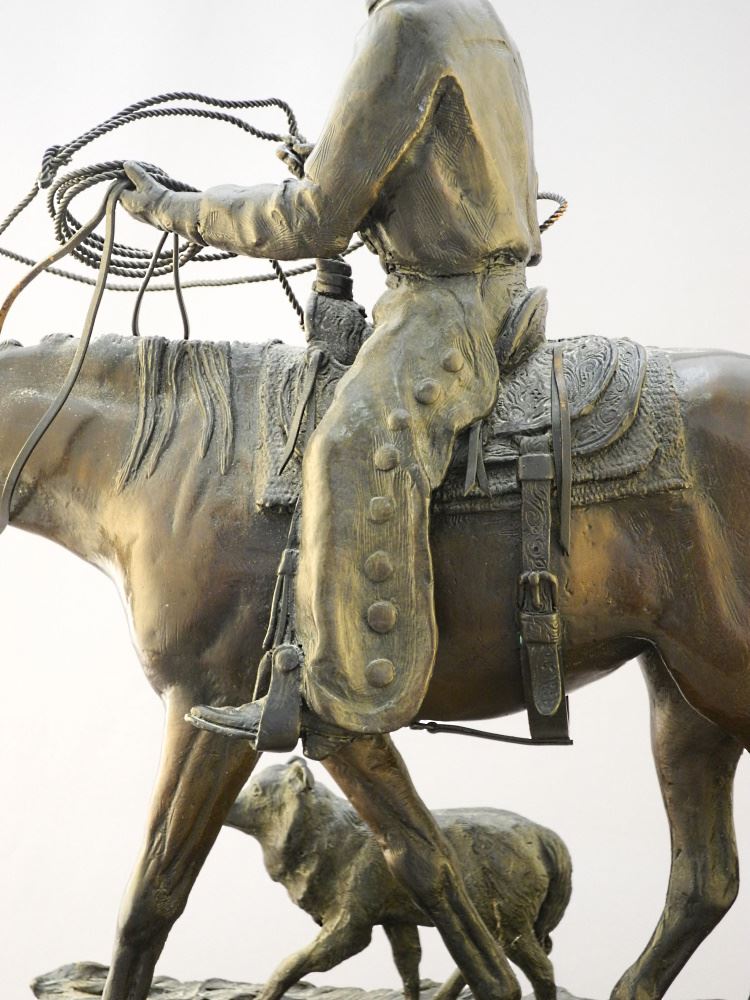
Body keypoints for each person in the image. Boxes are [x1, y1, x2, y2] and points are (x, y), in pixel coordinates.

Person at [122, 0, 542, 748]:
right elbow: (442, 164)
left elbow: (313, 219)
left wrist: (176, 210)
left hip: (448, 303)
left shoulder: (404, 26)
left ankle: (341, 694)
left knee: (348, 447)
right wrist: (334, 165)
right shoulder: (471, 12)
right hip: (482, 287)